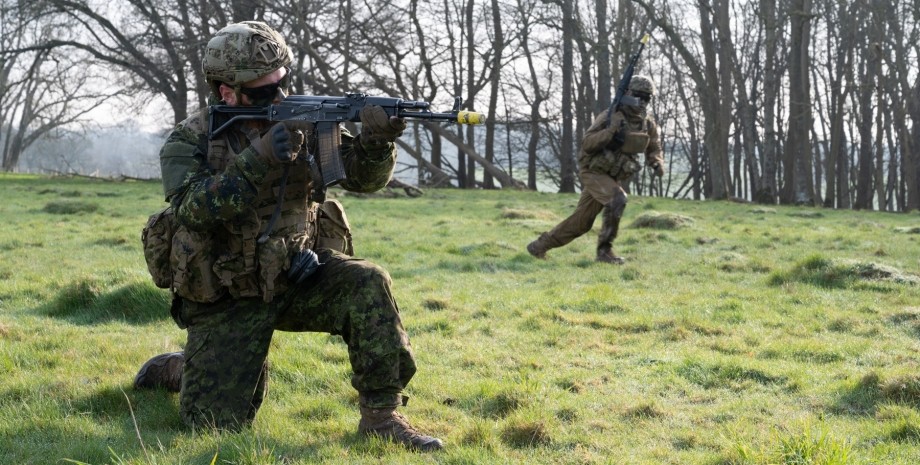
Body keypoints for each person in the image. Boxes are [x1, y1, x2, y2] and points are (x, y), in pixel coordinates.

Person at [133, 21, 443, 452]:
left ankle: (381, 417)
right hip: (228, 293)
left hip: (298, 275)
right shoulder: (191, 138)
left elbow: (362, 180)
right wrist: (257, 157)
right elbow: (192, 210)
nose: (277, 98)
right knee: (214, 427)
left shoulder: (306, 120)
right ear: (226, 91)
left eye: (281, 84)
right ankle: (182, 369)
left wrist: (375, 144)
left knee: (368, 281)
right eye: (262, 92)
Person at [526, 76, 665, 264]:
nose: (643, 102)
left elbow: (654, 146)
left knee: (581, 223)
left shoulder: (646, 123)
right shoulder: (611, 116)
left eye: (647, 98)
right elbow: (588, 143)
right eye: (639, 96)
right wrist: (610, 131)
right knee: (617, 199)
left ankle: (539, 246)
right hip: (593, 171)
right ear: (628, 94)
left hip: (612, 175)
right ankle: (604, 253)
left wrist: (656, 162)